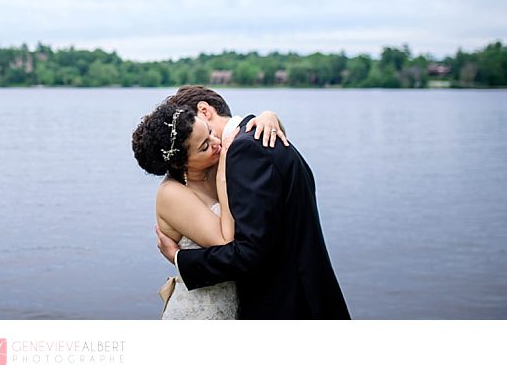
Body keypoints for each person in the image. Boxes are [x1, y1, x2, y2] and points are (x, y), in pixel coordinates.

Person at [148, 85, 350, 319]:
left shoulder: (244, 149)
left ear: (204, 111)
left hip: (286, 305)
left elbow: (249, 253)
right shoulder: (256, 137)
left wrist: (179, 258)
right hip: (307, 293)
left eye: (190, 125)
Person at [131, 88, 288, 319]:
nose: (216, 142)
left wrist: (268, 116)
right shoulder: (172, 194)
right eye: (204, 146)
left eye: (210, 133)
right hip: (199, 310)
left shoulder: (209, 164)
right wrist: (223, 170)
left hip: (237, 303)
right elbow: (226, 240)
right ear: (179, 164)